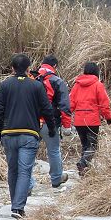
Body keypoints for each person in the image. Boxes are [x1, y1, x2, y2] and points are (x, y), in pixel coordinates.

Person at [0, 53, 56, 219]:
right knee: (24, 171)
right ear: (29, 69)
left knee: (13, 170)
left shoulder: (4, 85)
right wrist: (52, 128)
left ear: (12, 68)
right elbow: (47, 109)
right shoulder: (36, 86)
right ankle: (18, 208)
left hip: (8, 134)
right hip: (29, 134)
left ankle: (16, 204)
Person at [30, 55, 71, 189]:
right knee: (53, 151)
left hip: (32, 123)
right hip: (50, 123)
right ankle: (56, 180)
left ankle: (28, 182)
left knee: (29, 152)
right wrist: (66, 126)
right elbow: (64, 106)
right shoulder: (57, 81)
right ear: (54, 66)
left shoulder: (32, 79)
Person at [69, 62, 111, 175]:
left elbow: (71, 104)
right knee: (93, 146)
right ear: (96, 71)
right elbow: (104, 103)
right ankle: (83, 163)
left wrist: (67, 116)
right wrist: (108, 117)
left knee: (85, 145)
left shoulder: (76, 85)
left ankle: (84, 171)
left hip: (78, 120)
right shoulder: (98, 85)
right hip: (92, 120)